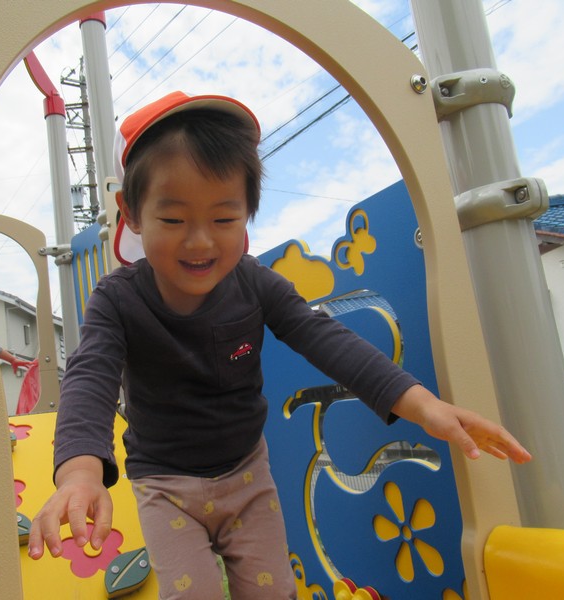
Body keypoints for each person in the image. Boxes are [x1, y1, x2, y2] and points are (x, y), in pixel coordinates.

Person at [28, 91, 532, 599]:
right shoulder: (117, 300)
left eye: (224, 220)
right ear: (133, 213)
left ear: (247, 214)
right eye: (174, 220)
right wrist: (80, 473)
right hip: (165, 485)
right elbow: (90, 378)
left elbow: (326, 339)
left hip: (246, 477)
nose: (200, 241)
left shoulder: (255, 284)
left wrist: (423, 405)